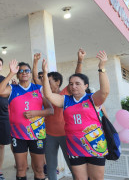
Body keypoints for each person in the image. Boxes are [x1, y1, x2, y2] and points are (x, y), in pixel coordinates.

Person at [42, 51, 110, 180]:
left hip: (94, 145)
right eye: (71, 84)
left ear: (86, 86)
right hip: (75, 147)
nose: (73, 86)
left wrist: (101, 68)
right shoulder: (65, 99)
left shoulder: (92, 98)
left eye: (77, 84)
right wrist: (45, 74)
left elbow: (105, 91)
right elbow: (49, 95)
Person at [32, 48, 86, 180]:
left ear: (57, 82)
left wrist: (80, 60)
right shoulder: (46, 93)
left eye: (49, 81)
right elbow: (35, 78)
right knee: (51, 166)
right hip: (49, 135)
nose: (46, 84)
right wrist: (35, 63)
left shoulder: (66, 93)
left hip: (65, 135)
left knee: (73, 165)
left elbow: (77, 75)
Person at [0, 60, 54, 180]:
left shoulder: (39, 88)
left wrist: (35, 113)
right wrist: (11, 73)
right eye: (20, 71)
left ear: (30, 73)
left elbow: (50, 110)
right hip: (18, 134)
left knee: (39, 169)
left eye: (27, 70)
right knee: (21, 168)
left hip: (37, 134)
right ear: (17, 74)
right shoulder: (12, 88)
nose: (24, 73)